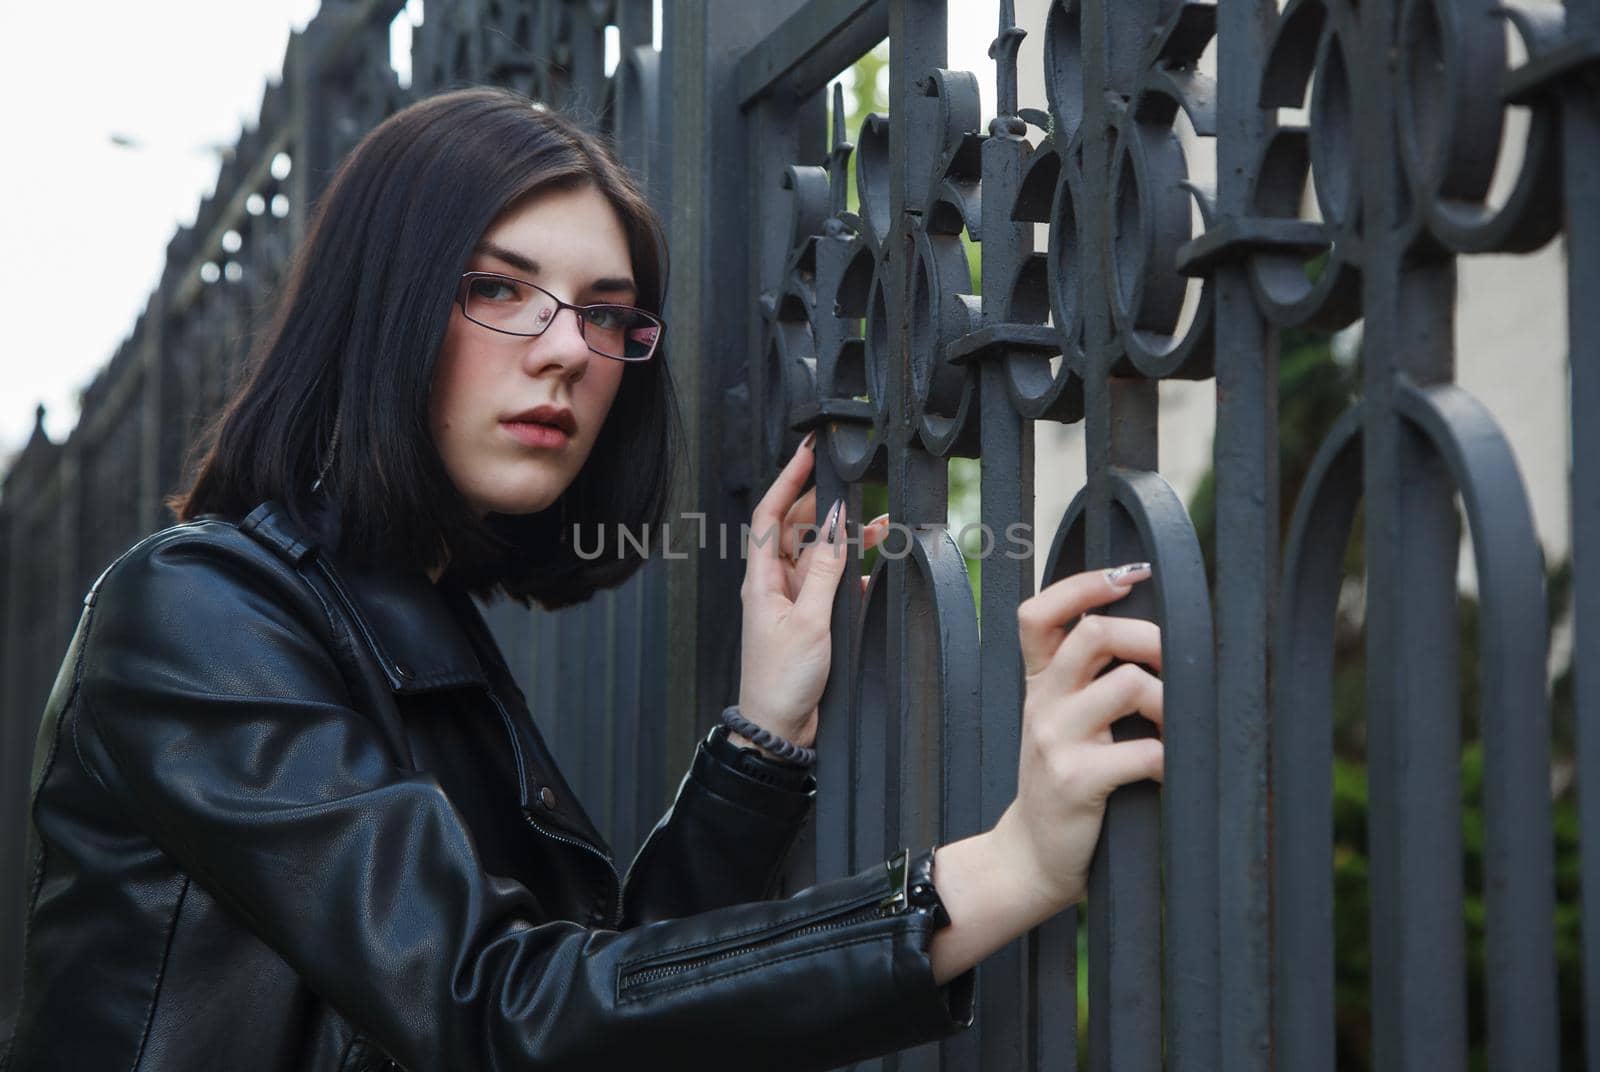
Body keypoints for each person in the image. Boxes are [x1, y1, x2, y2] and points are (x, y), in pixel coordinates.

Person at [1, 86, 1165, 1071]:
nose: (567, 348)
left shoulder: (413, 616)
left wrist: (762, 739)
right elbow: (499, 1012)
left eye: (607, 314)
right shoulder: (197, 613)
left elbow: (604, 992)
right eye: (497, 288)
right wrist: (998, 870)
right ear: (379, 313)